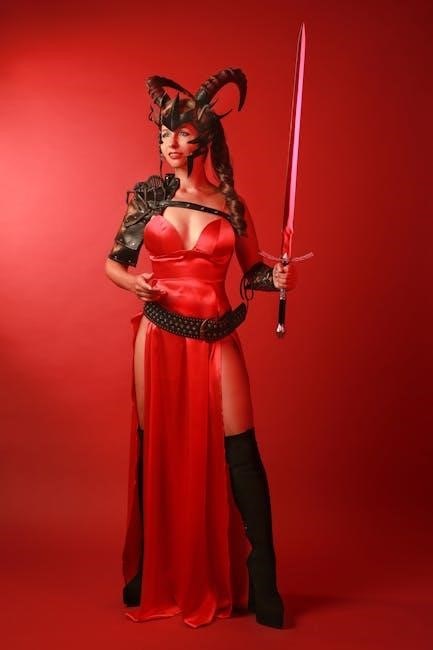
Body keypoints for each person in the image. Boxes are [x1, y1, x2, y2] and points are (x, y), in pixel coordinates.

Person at [105, 68, 298, 629]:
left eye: (181, 133)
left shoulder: (232, 204)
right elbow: (114, 263)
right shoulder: (148, 196)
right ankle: (149, 566)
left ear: (205, 139)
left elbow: (253, 271)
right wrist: (134, 283)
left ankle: (264, 580)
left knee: (241, 449)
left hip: (216, 335)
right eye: (163, 132)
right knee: (154, 444)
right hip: (159, 334)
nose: (169, 141)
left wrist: (277, 279)